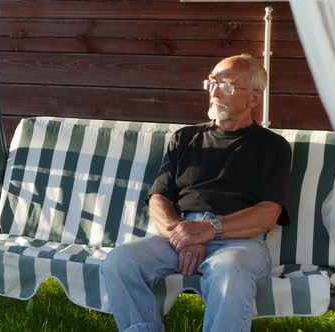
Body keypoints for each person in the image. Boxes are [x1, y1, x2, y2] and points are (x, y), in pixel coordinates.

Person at [101, 54, 292, 332]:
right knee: (120, 262)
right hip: (178, 233)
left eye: (226, 86)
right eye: (212, 82)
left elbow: (267, 214)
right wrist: (184, 235)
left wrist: (208, 230)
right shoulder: (185, 138)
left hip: (238, 242)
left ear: (253, 99)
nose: (214, 92)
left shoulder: (273, 147)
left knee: (230, 271)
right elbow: (159, 199)